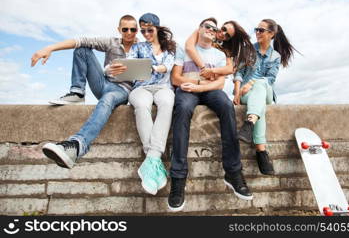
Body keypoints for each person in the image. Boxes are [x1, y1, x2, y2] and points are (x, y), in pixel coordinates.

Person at [168, 17, 253, 212]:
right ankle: (178, 178)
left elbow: (220, 84)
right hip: (187, 89)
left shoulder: (219, 54)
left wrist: (199, 86)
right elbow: (175, 77)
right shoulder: (185, 48)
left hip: (206, 90)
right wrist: (189, 85)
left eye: (214, 29)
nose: (211, 30)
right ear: (199, 28)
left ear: (216, 35)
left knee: (226, 105)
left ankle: (233, 172)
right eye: (207, 26)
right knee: (182, 110)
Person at [30, 15, 138, 168]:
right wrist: (49, 48)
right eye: (125, 29)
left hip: (121, 90)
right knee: (82, 48)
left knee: (107, 100)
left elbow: (147, 73)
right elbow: (80, 40)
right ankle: (77, 92)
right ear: (119, 29)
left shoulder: (142, 47)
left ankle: (77, 145)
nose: (128, 32)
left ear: (137, 30)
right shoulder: (111, 43)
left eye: (132, 29)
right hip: (103, 83)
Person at [234, 18, 298, 175]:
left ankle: (250, 124)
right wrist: (237, 92)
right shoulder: (247, 49)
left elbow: (270, 79)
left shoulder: (275, 56)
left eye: (261, 30)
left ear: (271, 34)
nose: (257, 33)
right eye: (256, 29)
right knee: (259, 108)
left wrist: (251, 83)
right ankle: (261, 151)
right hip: (246, 94)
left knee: (262, 84)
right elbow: (239, 72)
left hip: (266, 91)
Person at [123, 13, 176, 195]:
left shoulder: (169, 49)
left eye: (149, 30)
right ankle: (154, 159)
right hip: (142, 87)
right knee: (142, 106)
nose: (146, 34)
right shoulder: (138, 47)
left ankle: (150, 160)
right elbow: (129, 66)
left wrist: (152, 67)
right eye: (143, 30)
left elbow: (166, 67)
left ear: (157, 29)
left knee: (167, 103)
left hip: (162, 87)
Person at [185, 20, 256, 99]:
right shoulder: (205, 29)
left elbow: (230, 69)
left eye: (227, 35)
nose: (223, 34)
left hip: (211, 85)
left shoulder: (224, 49)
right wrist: (204, 69)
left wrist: (212, 71)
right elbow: (189, 47)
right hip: (192, 77)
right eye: (224, 29)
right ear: (222, 25)